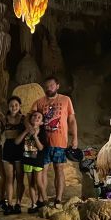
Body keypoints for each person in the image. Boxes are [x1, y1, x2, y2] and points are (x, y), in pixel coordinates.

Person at [31, 75, 78, 208]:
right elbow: (30, 117)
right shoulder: (39, 102)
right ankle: (42, 198)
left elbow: (72, 120)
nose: (49, 88)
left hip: (60, 141)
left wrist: (74, 137)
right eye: (46, 86)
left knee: (59, 169)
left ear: (57, 86)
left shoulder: (65, 100)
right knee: (43, 170)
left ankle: (58, 199)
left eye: (51, 85)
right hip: (43, 142)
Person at [1, 95, 26, 214]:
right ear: (8, 107)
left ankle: (18, 204)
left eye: (16, 105)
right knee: (9, 178)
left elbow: (31, 129)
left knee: (20, 178)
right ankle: (9, 204)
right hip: (8, 148)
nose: (14, 107)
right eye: (11, 105)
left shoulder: (23, 118)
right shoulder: (4, 119)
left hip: (20, 149)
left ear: (19, 106)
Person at [18, 110, 47, 213]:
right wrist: (26, 131)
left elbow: (41, 148)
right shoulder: (26, 130)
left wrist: (35, 137)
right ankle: (34, 204)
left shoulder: (42, 132)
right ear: (30, 119)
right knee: (31, 183)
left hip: (38, 160)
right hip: (27, 160)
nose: (36, 118)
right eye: (34, 116)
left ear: (41, 122)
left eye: (39, 117)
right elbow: (17, 142)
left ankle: (45, 201)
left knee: (39, 182)